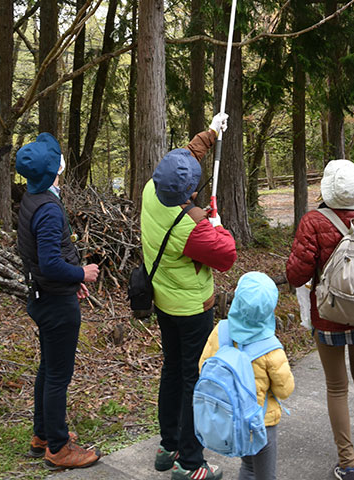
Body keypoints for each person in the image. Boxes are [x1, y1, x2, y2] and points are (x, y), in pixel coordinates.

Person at [142, 113, 237, 480]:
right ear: (191, 194)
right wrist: (216, 224)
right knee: (193, 378)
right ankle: (191, 462)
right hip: (192, 309)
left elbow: (184, 157)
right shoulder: (192, 228)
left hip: (164, 302)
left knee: (173, 370)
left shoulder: (153, 190)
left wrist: (211, 132)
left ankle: (169, 446)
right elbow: (226, 255)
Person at [286, 160, 354, 480]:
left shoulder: (313, 221)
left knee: (336, 387)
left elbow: (297, 272)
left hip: (328, 316)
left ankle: (347, 463)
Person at [16, 133, 102, 470]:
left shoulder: (33, 197)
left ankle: (42, 435)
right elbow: (51, 262)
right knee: (58, 376)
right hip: (54, 304)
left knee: (48, 368)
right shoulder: (49, 210)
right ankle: (58, 447)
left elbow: (45, 260)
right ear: (53, 172)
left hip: (45, 294)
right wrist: (81, 273)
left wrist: (70, 283)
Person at [198, 272, 295, 480]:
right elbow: (284, 390)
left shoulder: (221, 331)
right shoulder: (271, 349)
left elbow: (203, 367)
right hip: (262, 422)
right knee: (265, 474)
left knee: (248, 468)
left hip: (233, 417)